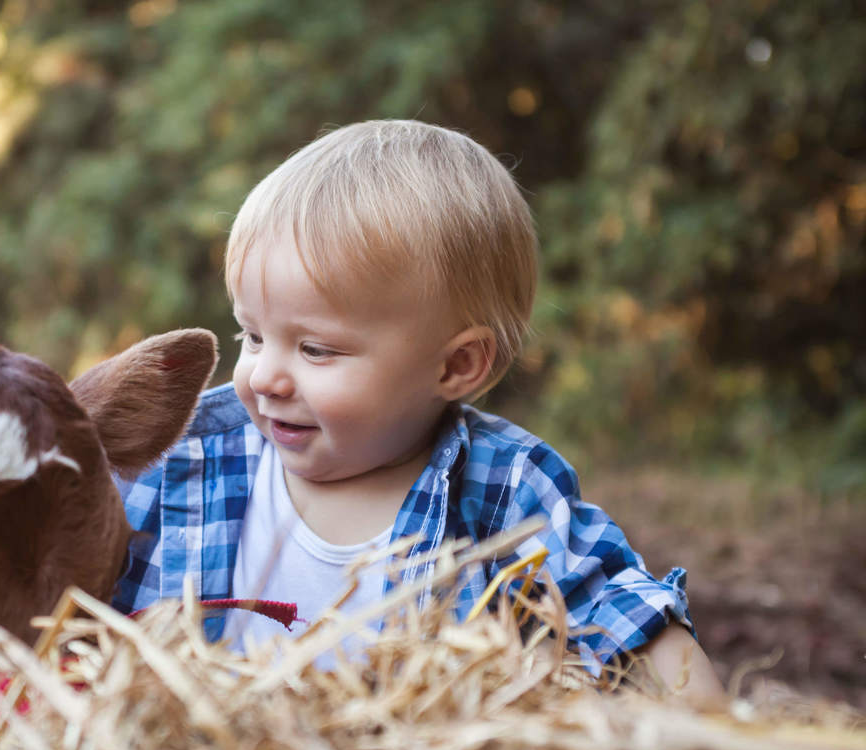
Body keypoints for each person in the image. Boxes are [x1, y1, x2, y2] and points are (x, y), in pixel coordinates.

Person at [113, 120, 724, 703]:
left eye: (315, 349)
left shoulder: (505, 492)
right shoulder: (177, 458)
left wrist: (716, 734)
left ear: (456, 366)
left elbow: (624, 619)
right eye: (251, 335)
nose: (264, 376)